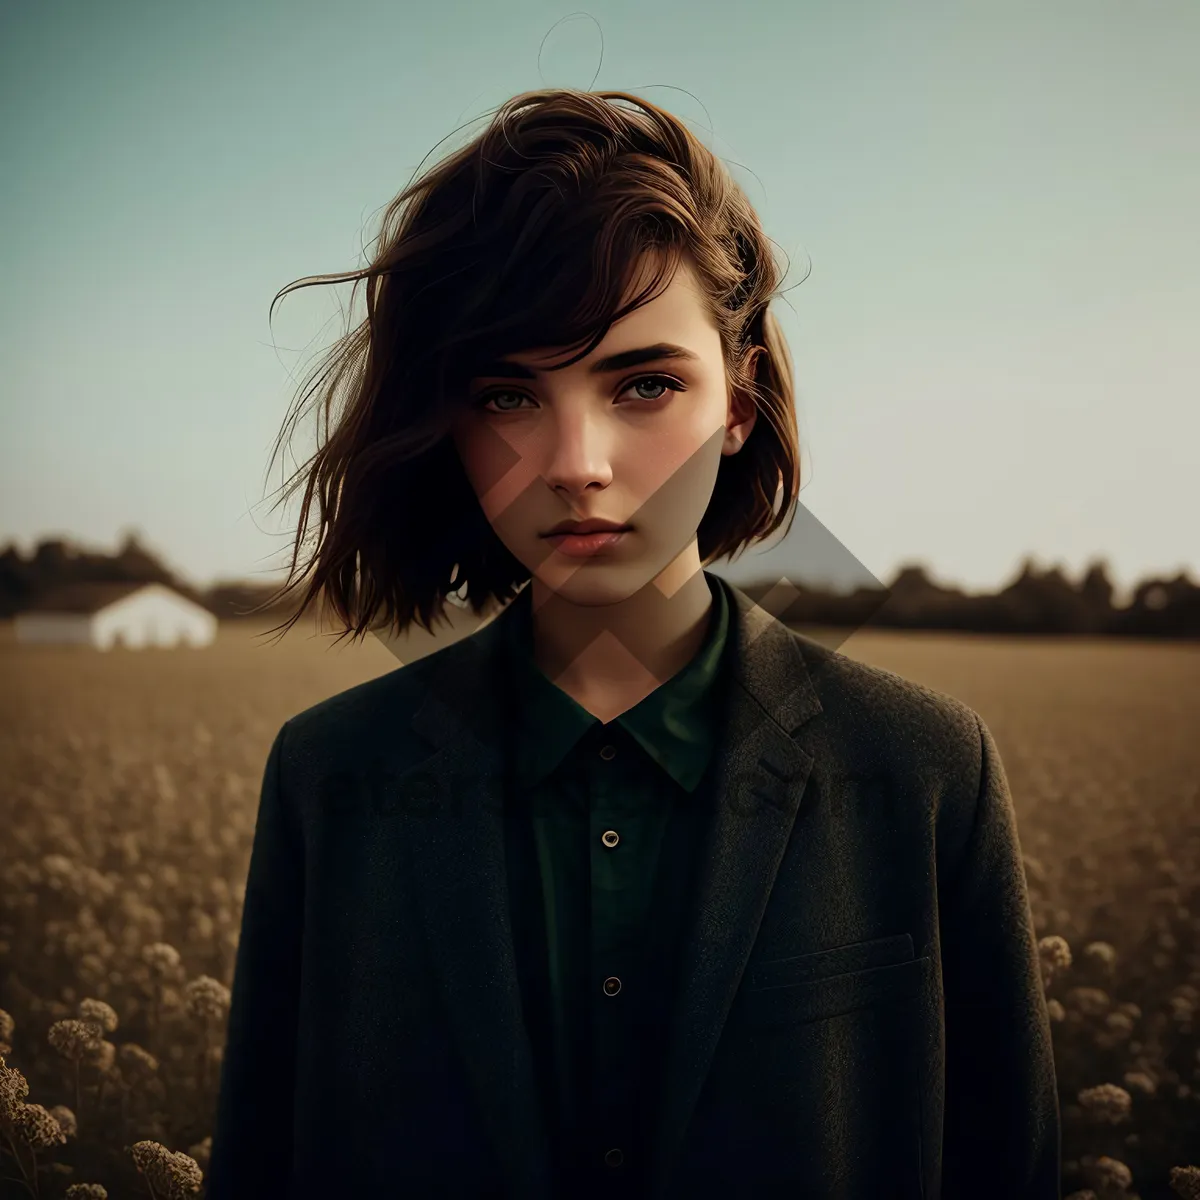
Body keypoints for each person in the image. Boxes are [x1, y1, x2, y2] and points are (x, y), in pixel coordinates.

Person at [207, 88, 1061, 1200]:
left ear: (741, 402)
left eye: (645, 383)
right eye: (509, 394)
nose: (576, 461)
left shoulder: (930, 766)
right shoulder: (328, 776)